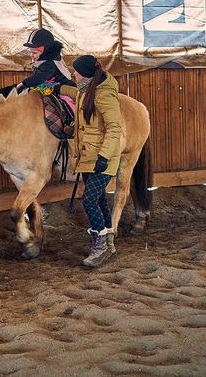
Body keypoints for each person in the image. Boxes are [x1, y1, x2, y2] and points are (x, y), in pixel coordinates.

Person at [60, 55, 122, 268]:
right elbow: (72, 91)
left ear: (85, 74)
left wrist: (104, 156)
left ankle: (100, 246)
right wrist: (54, 89)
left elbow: (115, 128)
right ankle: (110, 244)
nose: (72, 74)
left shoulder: (104, 96)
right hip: (88, 157)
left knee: (89, 200)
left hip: (103, 159)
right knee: (100, 200)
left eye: (75, 71)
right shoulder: (85, 90)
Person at [16, 28, 75, 95]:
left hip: (61, 89)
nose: (31, 55)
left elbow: (39, 78)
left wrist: (23, 84)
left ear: (46, 50)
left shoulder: (50, 64)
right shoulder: (41, 61)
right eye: (31, 52)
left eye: (34, 53)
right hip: (48, 87)